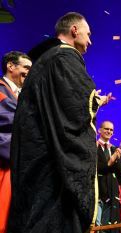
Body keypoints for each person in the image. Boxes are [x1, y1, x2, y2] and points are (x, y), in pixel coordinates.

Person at [8, 12, 112, 233]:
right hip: (53, 162)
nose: (90, 41)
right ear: (74, 30)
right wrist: (93, 101)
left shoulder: (43, 61)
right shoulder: (65, 58)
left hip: (35, 155)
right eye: (88, 34)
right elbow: (75, 106)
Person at [0, 51, 31, 233]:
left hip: (14, 167)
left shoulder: (19, 96)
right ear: (10, 66)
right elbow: (14, 119)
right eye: (26, 67)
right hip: (4, 163)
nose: (29, 72)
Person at [96, 121, 121, 231]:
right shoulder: (93, 146)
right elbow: (96, 168)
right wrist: (111, 161)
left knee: (107, 227)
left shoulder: (114, 149)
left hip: (112, 192)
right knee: (96, 225)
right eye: (106, 129)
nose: (109, 131)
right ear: (99, 130)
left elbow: (119, 173)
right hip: (98, 191)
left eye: (111, 130)